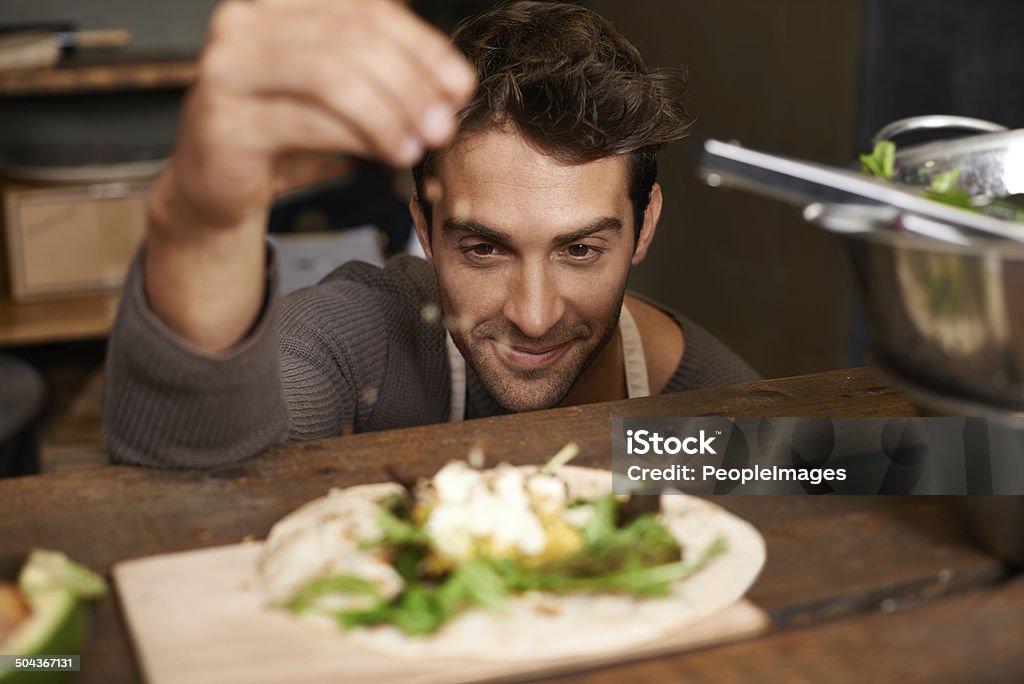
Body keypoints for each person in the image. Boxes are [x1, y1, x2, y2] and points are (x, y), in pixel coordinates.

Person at [105, 0, 758, 467]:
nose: (532, 316)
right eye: (483, 249)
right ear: (424, 225)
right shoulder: (366, 344)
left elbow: (831, 475)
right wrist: (198, 220)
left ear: (644, 228)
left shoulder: (691, 400)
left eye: (580, 250)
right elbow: (198, 459)